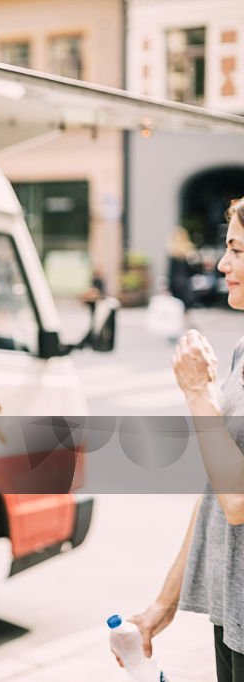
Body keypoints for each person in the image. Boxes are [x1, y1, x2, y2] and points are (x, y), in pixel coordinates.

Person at [125, 197, 244, 681]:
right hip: (232, 613)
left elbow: (237, 500)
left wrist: (199, 394)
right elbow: (215, 488)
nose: (222, 263)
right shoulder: (241, 349)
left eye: (236, 249)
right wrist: (164, 604)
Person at [167, 226, 199, 310]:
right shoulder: (188, 250)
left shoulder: (171, 251)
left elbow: (170, 271)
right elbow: (192, 269)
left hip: (175, 282)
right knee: (185, 306)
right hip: (185, 282)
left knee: (177, 305)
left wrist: (168, 285)